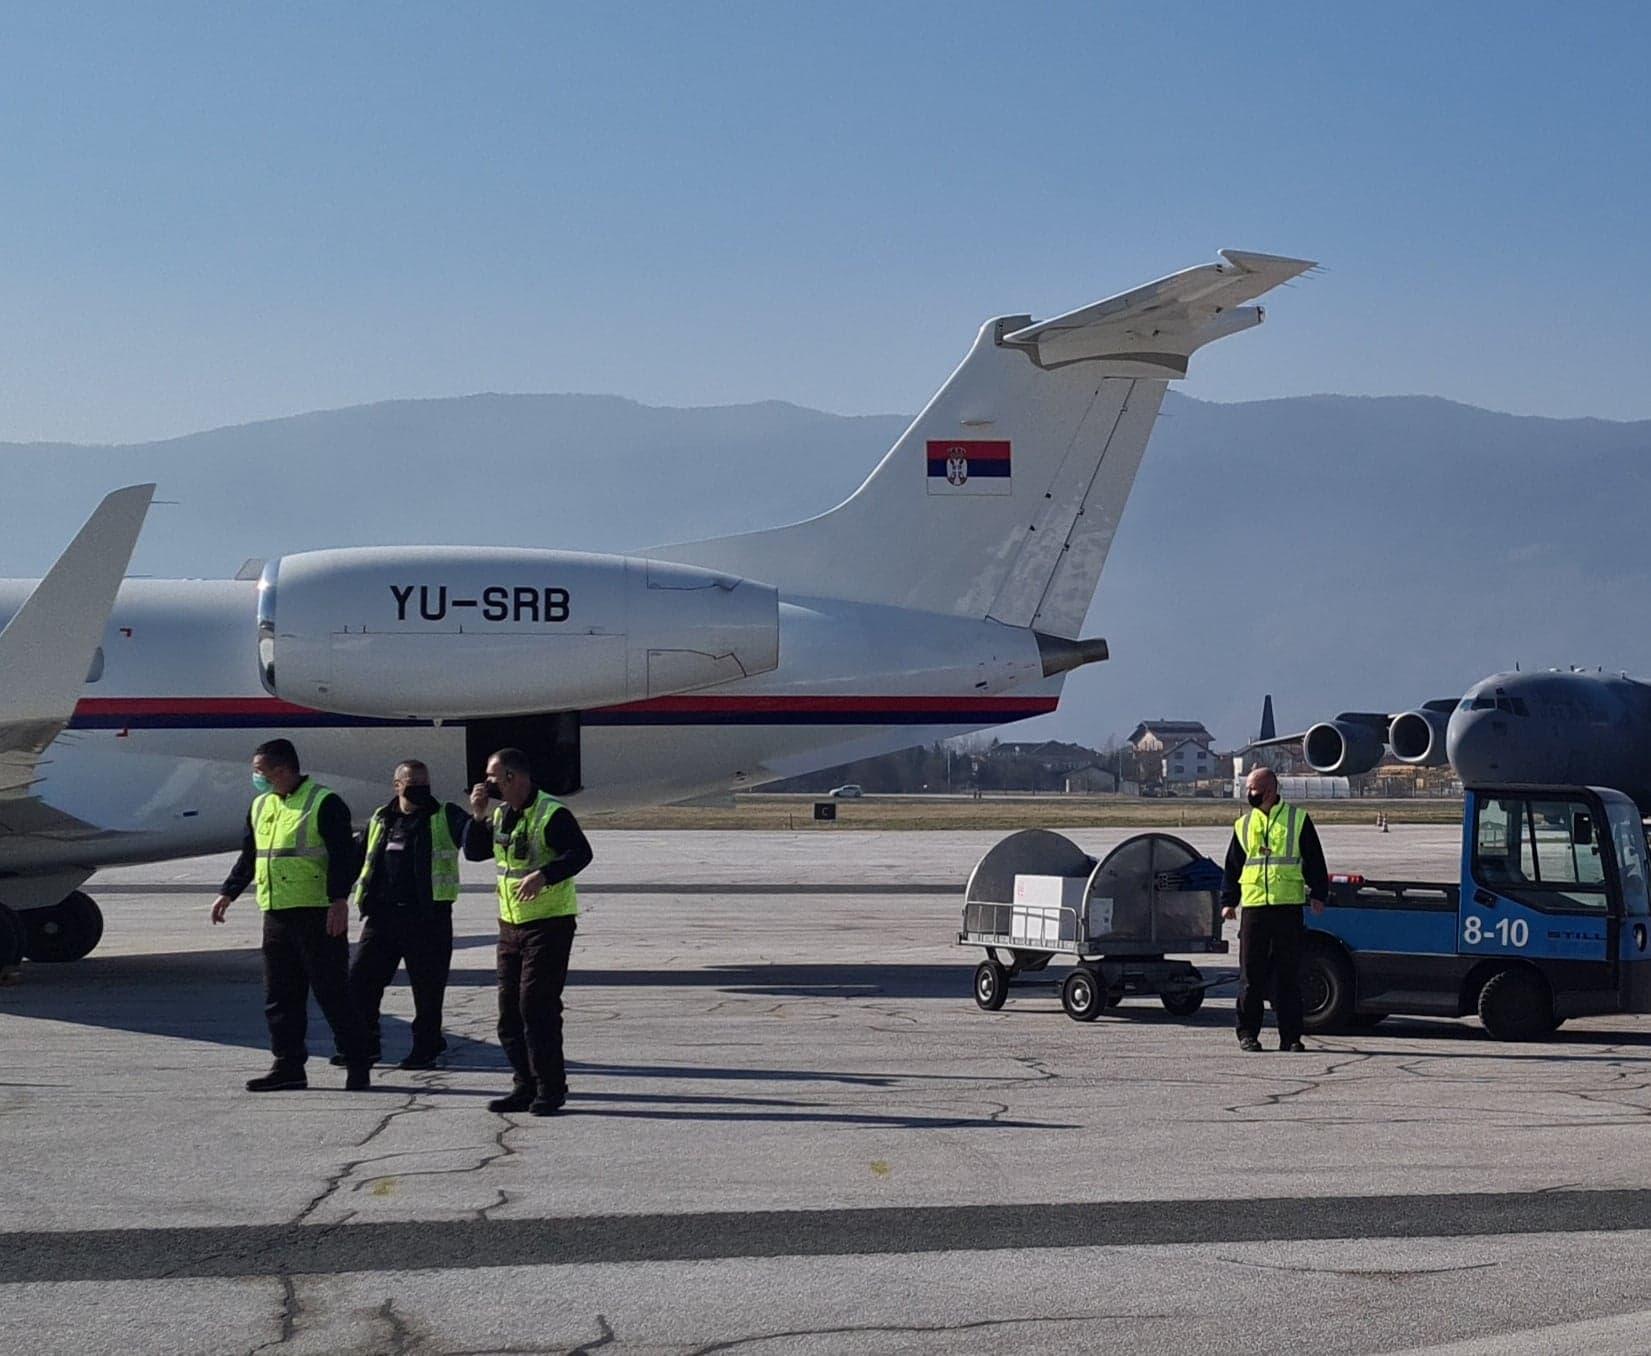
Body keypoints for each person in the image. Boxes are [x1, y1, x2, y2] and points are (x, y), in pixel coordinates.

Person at [210, 739, 374, 1091]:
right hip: (277, 914)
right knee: (280, 996)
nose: (256, 777)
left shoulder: (323, 802)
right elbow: (251, 855)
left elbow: (345, 857)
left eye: (260, 771)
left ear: (282, 770)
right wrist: (228, 892)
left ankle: (358, 1061)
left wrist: (339, 900)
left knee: (332, 993)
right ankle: (288, 1066)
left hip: (317, 914)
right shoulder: (261, 805)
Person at [465, 747, 593, 1115]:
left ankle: (551, 1089)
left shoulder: (551, 814)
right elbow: (474, 853)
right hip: (510, 925)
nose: (486, 783)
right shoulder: (502, 814)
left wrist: (544, 876)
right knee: (509, 1014)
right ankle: (524, 1084)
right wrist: (477, 815)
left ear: (513, 778)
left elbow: (581, 854)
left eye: (492, 776)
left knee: (536, 1007)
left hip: (549, 923)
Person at [336, 759, 472, 1071]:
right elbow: (357, 858)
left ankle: (426, 1048)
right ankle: (363, 1046)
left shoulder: (444, 815)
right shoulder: (381, 819)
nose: (419, 789)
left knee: (427, 992)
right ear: (397, 785)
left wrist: (477, 817)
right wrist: (337, 896)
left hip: (427, 919)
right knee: (360, 984)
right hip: (382, 919)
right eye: (412, 783)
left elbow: (475, 844)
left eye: (424, 783)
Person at [1220, 766, 1330, 1052]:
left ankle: (1291, 1037)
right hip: (1255, 907)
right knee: (1251, 975)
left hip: (1287, 907)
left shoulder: (1297, 819)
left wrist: (1319, 893)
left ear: (1269, 790)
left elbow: (1314, 858)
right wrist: (1228, 901)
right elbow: (1233, 866)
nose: (1248, 794)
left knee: (1288, 975)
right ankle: (1247, 1033)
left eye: (1252, 790)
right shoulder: (1244, 824)